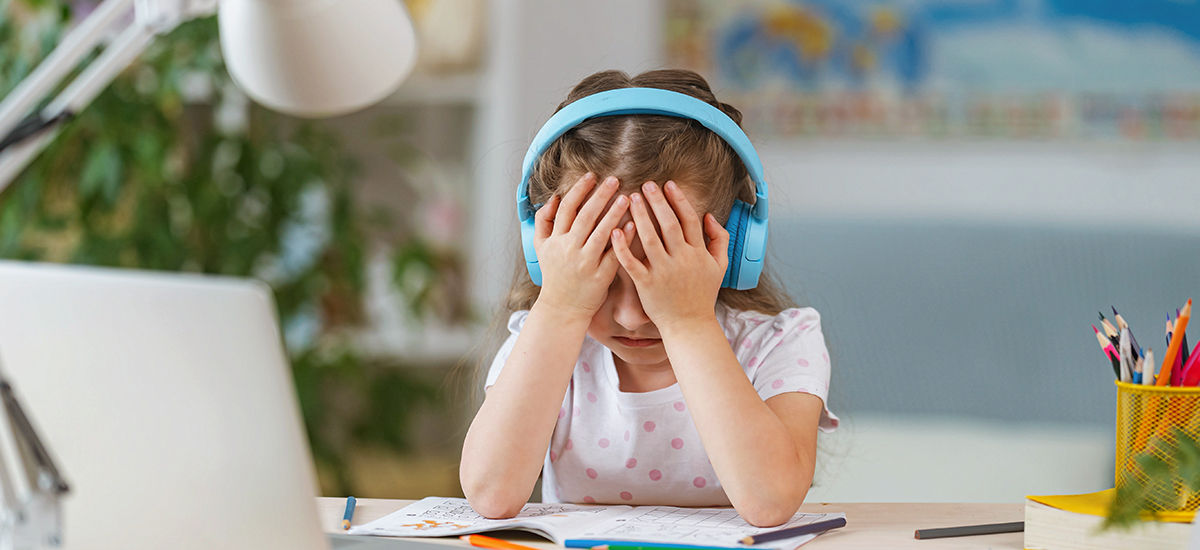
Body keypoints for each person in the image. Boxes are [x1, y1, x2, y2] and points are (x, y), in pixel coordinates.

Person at [459, 69, 838, 527]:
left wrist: (687, 322)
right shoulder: (544, 339)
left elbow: (770, 501)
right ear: (546, 256)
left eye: (660, 278)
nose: (633, 315)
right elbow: (490, 494)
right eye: (599, 280)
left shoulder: (781, 343)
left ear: (735, 246)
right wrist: (560, 308)